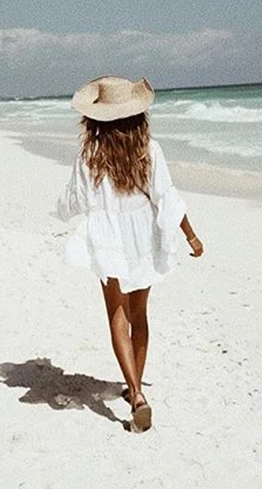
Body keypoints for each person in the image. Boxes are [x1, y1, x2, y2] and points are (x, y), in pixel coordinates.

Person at [56, 75, 203, 433]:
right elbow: (166, 197)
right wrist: (191, 235)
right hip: (142, 237)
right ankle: (135, 387)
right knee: (139, 314)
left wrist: (61, 212)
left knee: (117, 315)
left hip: (108, 237)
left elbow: (77, 199)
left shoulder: (90, 155)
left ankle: (136, 394)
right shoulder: (148, 149)